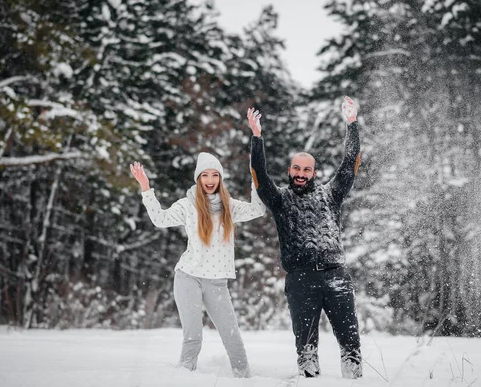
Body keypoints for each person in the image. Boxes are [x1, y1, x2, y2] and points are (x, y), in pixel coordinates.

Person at [247, 96, 363, 379]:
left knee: (350, 343)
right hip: (301, 279)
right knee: (306, 349)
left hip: (336, 276)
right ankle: (309, 381)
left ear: (314, 173)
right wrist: (256, 137)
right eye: (296, 169)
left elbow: (351, 163)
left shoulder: (331, 194)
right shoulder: (280, 200)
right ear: (289, 171)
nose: (301, 174)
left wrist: (352, 125)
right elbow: (259, 175)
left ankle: (355, 380)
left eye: (306, 169)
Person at [129, 153, 265, 378]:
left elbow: (258, 209)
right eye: (205, 175)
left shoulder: (229, 206)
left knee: (232, 337)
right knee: (193, 337)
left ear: (220, 179)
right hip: (188, 277)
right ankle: (183, 379)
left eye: (214, 175)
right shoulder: (187, 205)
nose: (210, 179)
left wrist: (254, 175)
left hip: (217, 283)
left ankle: (244, 380)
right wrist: (146, 189)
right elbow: (160, 220)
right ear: (198, 178)